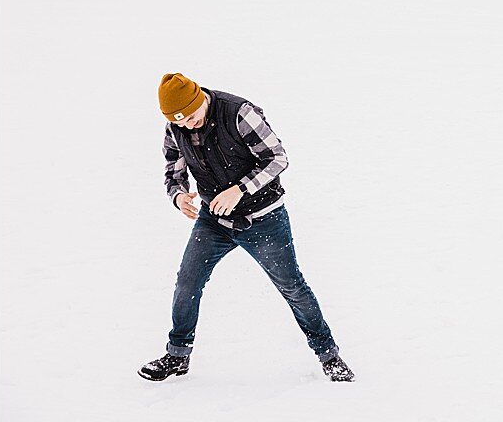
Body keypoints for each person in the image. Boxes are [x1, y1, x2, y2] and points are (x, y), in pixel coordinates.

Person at [138, 73, 352, 383]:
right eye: (181, 123)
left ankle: (329, 354)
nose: (189, 126)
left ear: (201, 101)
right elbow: (173, 172)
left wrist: (240, 189)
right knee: (187, 282)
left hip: (263, 218)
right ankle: (178, 355)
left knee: (292, 286)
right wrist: (179, 196)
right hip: (214, 220)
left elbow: (277, 158)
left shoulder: (238, 113)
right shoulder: (176, 128)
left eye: (194, 117)